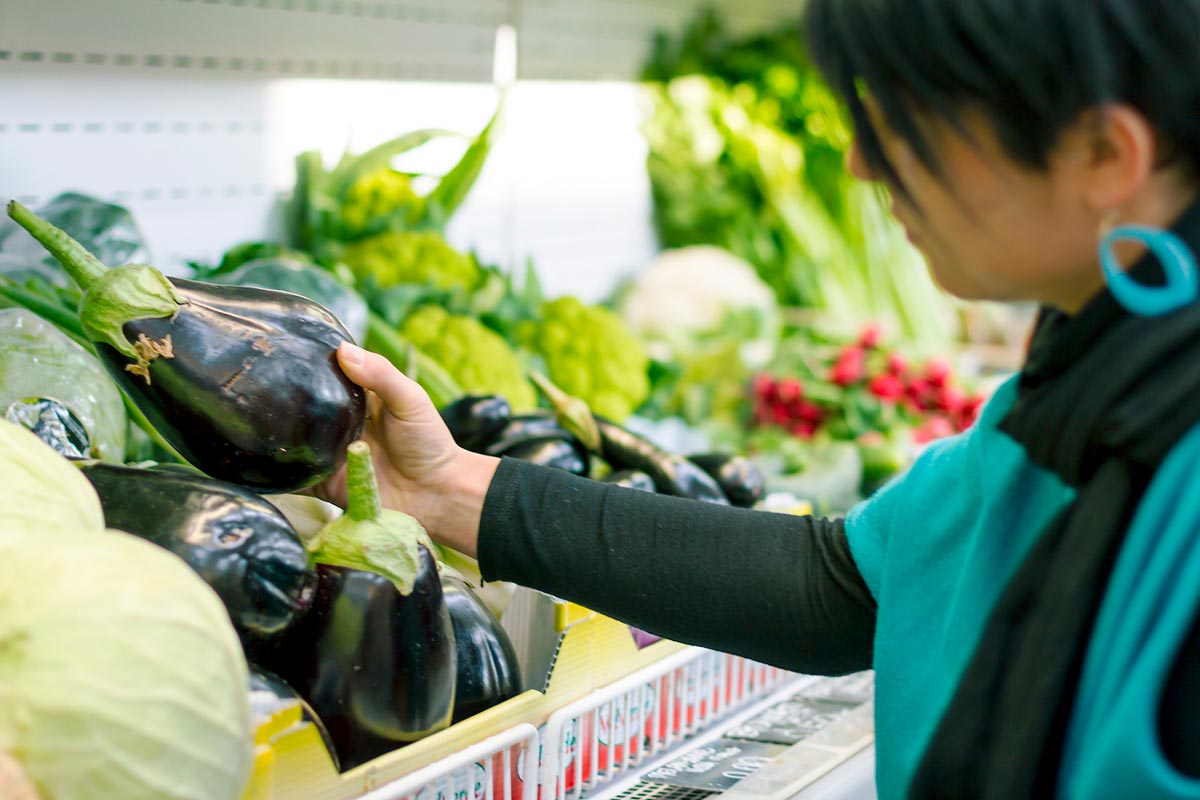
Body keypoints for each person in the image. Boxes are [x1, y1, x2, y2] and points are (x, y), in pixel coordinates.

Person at [316, 1, 1200, 797]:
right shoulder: (1087, 378)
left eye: (902, 120)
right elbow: (845, 585)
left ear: (1102, 153)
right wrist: (446, 490)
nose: (860, 162)